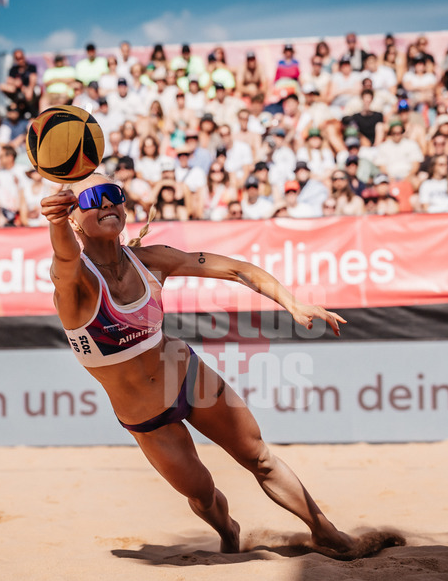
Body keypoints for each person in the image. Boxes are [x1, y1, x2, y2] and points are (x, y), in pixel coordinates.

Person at [39, 175, 364, 557]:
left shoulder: (151, 260)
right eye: (93, 198)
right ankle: (228, 530)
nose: (107, 203)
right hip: (148, 419)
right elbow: (65, 256)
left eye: (113, 194)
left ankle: (323, 530)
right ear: (73, 218)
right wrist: (55, 223)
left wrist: (293, 303)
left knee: (259, 457)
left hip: (187, 376)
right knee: (202, 494)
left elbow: (237, 269)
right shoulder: (75, 282)